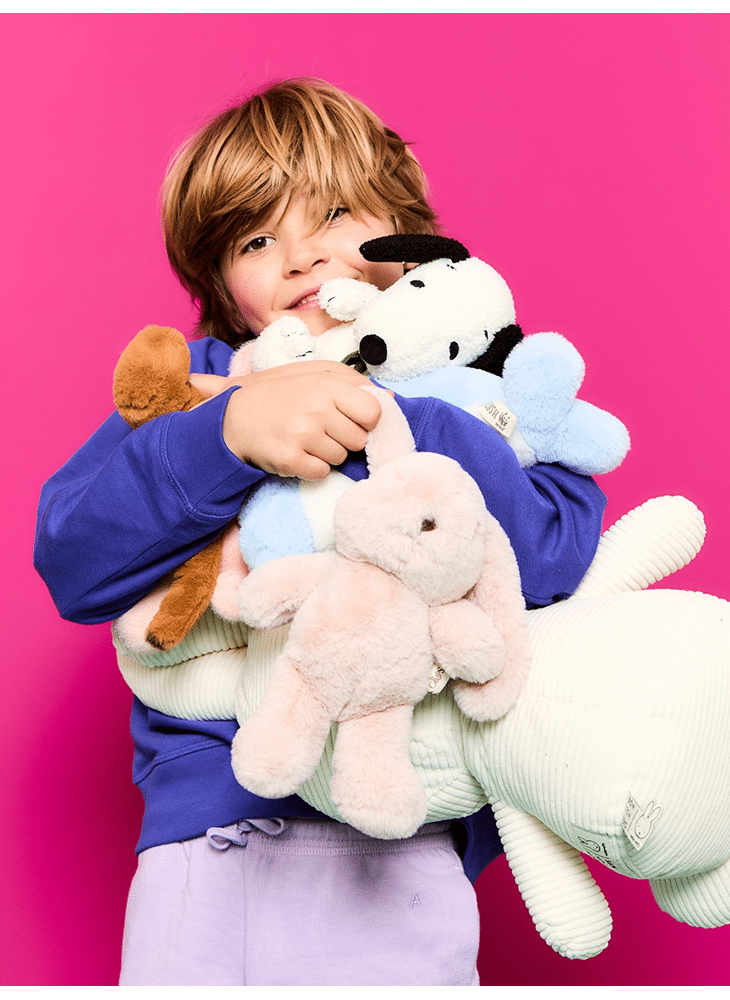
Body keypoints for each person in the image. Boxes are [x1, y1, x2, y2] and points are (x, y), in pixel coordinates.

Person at [33, 78, 607, 986]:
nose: (300, 256)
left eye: (333, 213)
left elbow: (552, 559)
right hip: (215, 830)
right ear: (221, 284)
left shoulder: (481, 386)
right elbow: (71, 557)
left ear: (406, 233)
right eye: (256, 240)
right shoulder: (203, 386)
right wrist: (230, 432)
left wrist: (402, 415)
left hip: (406, 835)